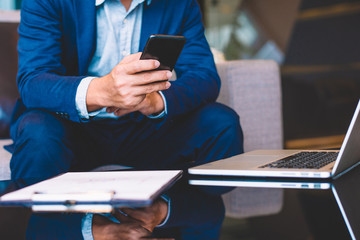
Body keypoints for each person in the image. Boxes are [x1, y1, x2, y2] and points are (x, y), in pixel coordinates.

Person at [11, 0, 244, 239]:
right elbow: (33, 81)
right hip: (74, 131)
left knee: (221, 122)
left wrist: (157, 102)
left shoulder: (179, 4)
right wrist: (102, 90)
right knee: (36, 131)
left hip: (147, 132)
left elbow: (204, 76)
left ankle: (180, 203)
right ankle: (64, 219)